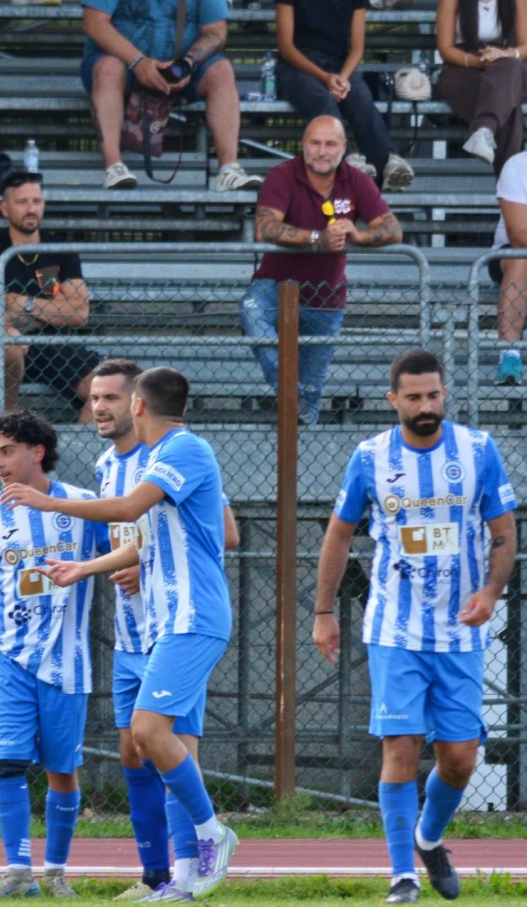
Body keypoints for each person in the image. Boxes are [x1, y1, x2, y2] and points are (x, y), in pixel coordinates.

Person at [2, 366, 239, 903]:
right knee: (148, 740)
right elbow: (144, 539)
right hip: (163, 622)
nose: (101, 406)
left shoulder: (184, 450)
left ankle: (212, 835)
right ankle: (180, 878)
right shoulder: (147, 460)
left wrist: (49, 501)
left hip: (193, 615)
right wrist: (84, 568)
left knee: (151, 733)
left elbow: (131, 510)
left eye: (112, 397)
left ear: (137, 404)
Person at [313, 349, 517, 906]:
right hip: (395, 631)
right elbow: (338, 535)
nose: (425, 406)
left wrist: (491, 591)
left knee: (460, 758)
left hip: (461, 633)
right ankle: (402, 876)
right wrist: (324, 612)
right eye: (414, 397)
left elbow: (503, 529)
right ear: (393, 400)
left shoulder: (478, 451)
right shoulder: (370, 456)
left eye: (434, 395)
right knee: (400, 748)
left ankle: (429, 839)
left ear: (444, 394)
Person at [0, 410, 109, 899]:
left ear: (37, 452)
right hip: (8, 655)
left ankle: (56, 872)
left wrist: (122, 573)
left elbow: (122, 548)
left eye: (7, 451)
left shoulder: (86, 505)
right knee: (5, 764)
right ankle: (17, 871)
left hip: (66, 661)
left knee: (61, 770)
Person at [240, 115, 402, 425]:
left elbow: (393, 229)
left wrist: (359, 235)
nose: (322, 151)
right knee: (251, 311)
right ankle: (292, 390)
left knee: (309, 405)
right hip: (274, 285)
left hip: (326, 296)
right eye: (315, 143)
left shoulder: (356, 180)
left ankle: (301, 416)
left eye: (330, 144)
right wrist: (318, 239)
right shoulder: (283, 175)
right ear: (303, 145)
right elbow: (265, 227)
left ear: (343, 147)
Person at [81, 0, 263, 191]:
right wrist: (138, 62)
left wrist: (188, 64)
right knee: (109, 69)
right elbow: (94, 23)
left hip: (181, 66)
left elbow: (216, 31)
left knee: (222, 71)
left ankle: (228, 169)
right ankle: (113, 167)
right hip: (122, 63)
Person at [0, 169, 100, 422]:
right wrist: (52, 310)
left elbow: (79, 312)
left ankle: (78, 457)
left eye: (36, 201)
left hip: (56, 346)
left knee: (114, 391)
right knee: (6, 340)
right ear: (5, 208)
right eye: (21, 202)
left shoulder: (60, 250)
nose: (30, 208)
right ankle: (6, 419)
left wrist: (22, 303)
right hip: (10, 353)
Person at [274, 0, 414, 191]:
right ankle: (347, 160)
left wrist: (343, 78)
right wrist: (325, 78)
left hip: (339, 65)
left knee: (361, 98)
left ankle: (388, 162)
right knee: (323, 102)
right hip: (296, 67)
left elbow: (357, 48)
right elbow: (286, 47)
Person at [435, 0, 527, 174]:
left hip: (505, 65)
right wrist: (478, 62)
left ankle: (484, 128)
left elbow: (525, 46)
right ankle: (511, 191)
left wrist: (505, 54)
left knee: (509, 70)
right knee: (509, 109)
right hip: (462, 66)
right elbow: (445, 49)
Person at [489, 150, 527, 384]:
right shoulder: (518, 165)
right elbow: (520, 235)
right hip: (510, 255)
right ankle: (509, 355)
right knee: (523, 256)